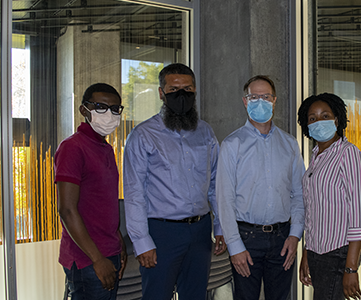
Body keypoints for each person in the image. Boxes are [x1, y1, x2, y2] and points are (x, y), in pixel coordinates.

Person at [123, 63, 225, 300]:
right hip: (162, 232)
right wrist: (141, 241)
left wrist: (221, 226)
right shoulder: (143, 135)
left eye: (187, 89)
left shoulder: (206, 132)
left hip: (200, 230)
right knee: (157, 295)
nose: (181, 95)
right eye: (173, 89)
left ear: (195, 90)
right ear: (161, 93)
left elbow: (215, 183)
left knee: (196, 295)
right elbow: (134, 192)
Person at [216, 75, 305, 300]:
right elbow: (224, 200)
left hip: (283, 238)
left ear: (274, 100)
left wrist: (295, 236)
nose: (260, 101)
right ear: (245, 101)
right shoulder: (231, 144)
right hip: (246, 238)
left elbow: (300, 194)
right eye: (254, 97)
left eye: (265, 96)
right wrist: (234, 247)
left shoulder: (290, 144)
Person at [55, 83, 127, 300]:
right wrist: (97, 259)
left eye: (115, 109)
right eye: (100, 107)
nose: (109, 114)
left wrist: (118, 242)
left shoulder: (105, 148)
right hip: (88, 258)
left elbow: (103, 204)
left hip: (109, 251)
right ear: (84, 110)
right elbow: (67, 210)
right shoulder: (73, 147)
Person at [296, 93, 361, 300]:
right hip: (318, 252)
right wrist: (308, 252)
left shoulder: (348, 153)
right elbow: (314, 210)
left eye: (325, 115)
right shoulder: (317, 155)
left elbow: (357, 212)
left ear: (336, 119)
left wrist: (351, 268)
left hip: (338, 253)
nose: (319, 122)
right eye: (312, 118)